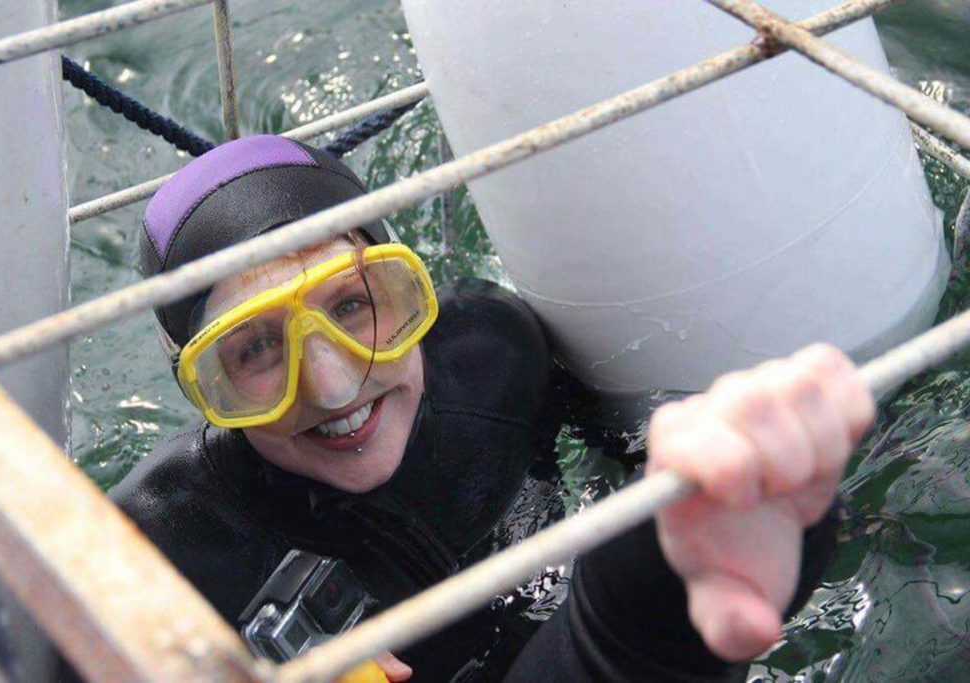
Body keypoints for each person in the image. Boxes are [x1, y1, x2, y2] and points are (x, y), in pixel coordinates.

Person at [112, 134, 874, 682]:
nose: (336, 386)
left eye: (354, 304)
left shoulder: (496, 353)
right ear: (201, 387)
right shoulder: (158, 549)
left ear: (413, 291)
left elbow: (628, 442)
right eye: (255, 352)